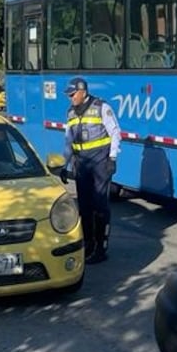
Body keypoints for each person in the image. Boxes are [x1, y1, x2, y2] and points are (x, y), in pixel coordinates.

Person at [61, 76, 121, 264]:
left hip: (100, 163)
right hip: (82, 165)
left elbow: (115, 133)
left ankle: (101, 247)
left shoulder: (101, 107)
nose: (71, 98)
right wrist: (64, 165)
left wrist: (112, 158)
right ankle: (88, 245)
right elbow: (68, 141)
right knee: (84, 207)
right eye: (69, 95)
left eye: (73, 94)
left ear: (83, 92)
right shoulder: (70, 113)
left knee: (99, 205)